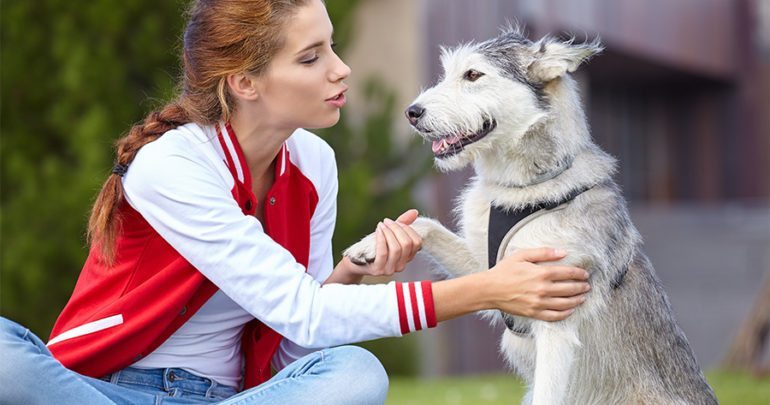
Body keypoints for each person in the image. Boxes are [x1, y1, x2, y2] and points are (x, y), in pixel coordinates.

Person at [0, 0, 591, 403]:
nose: (340, 69)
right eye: (311, 58)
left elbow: (294, 343)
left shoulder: (313, 163)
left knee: (354, 373)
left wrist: (352, 275)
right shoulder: (172, 164)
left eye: (331, 47)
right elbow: (303, 309)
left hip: (235, 397)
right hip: (101, 389)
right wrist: (485, 289)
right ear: (245, 82)